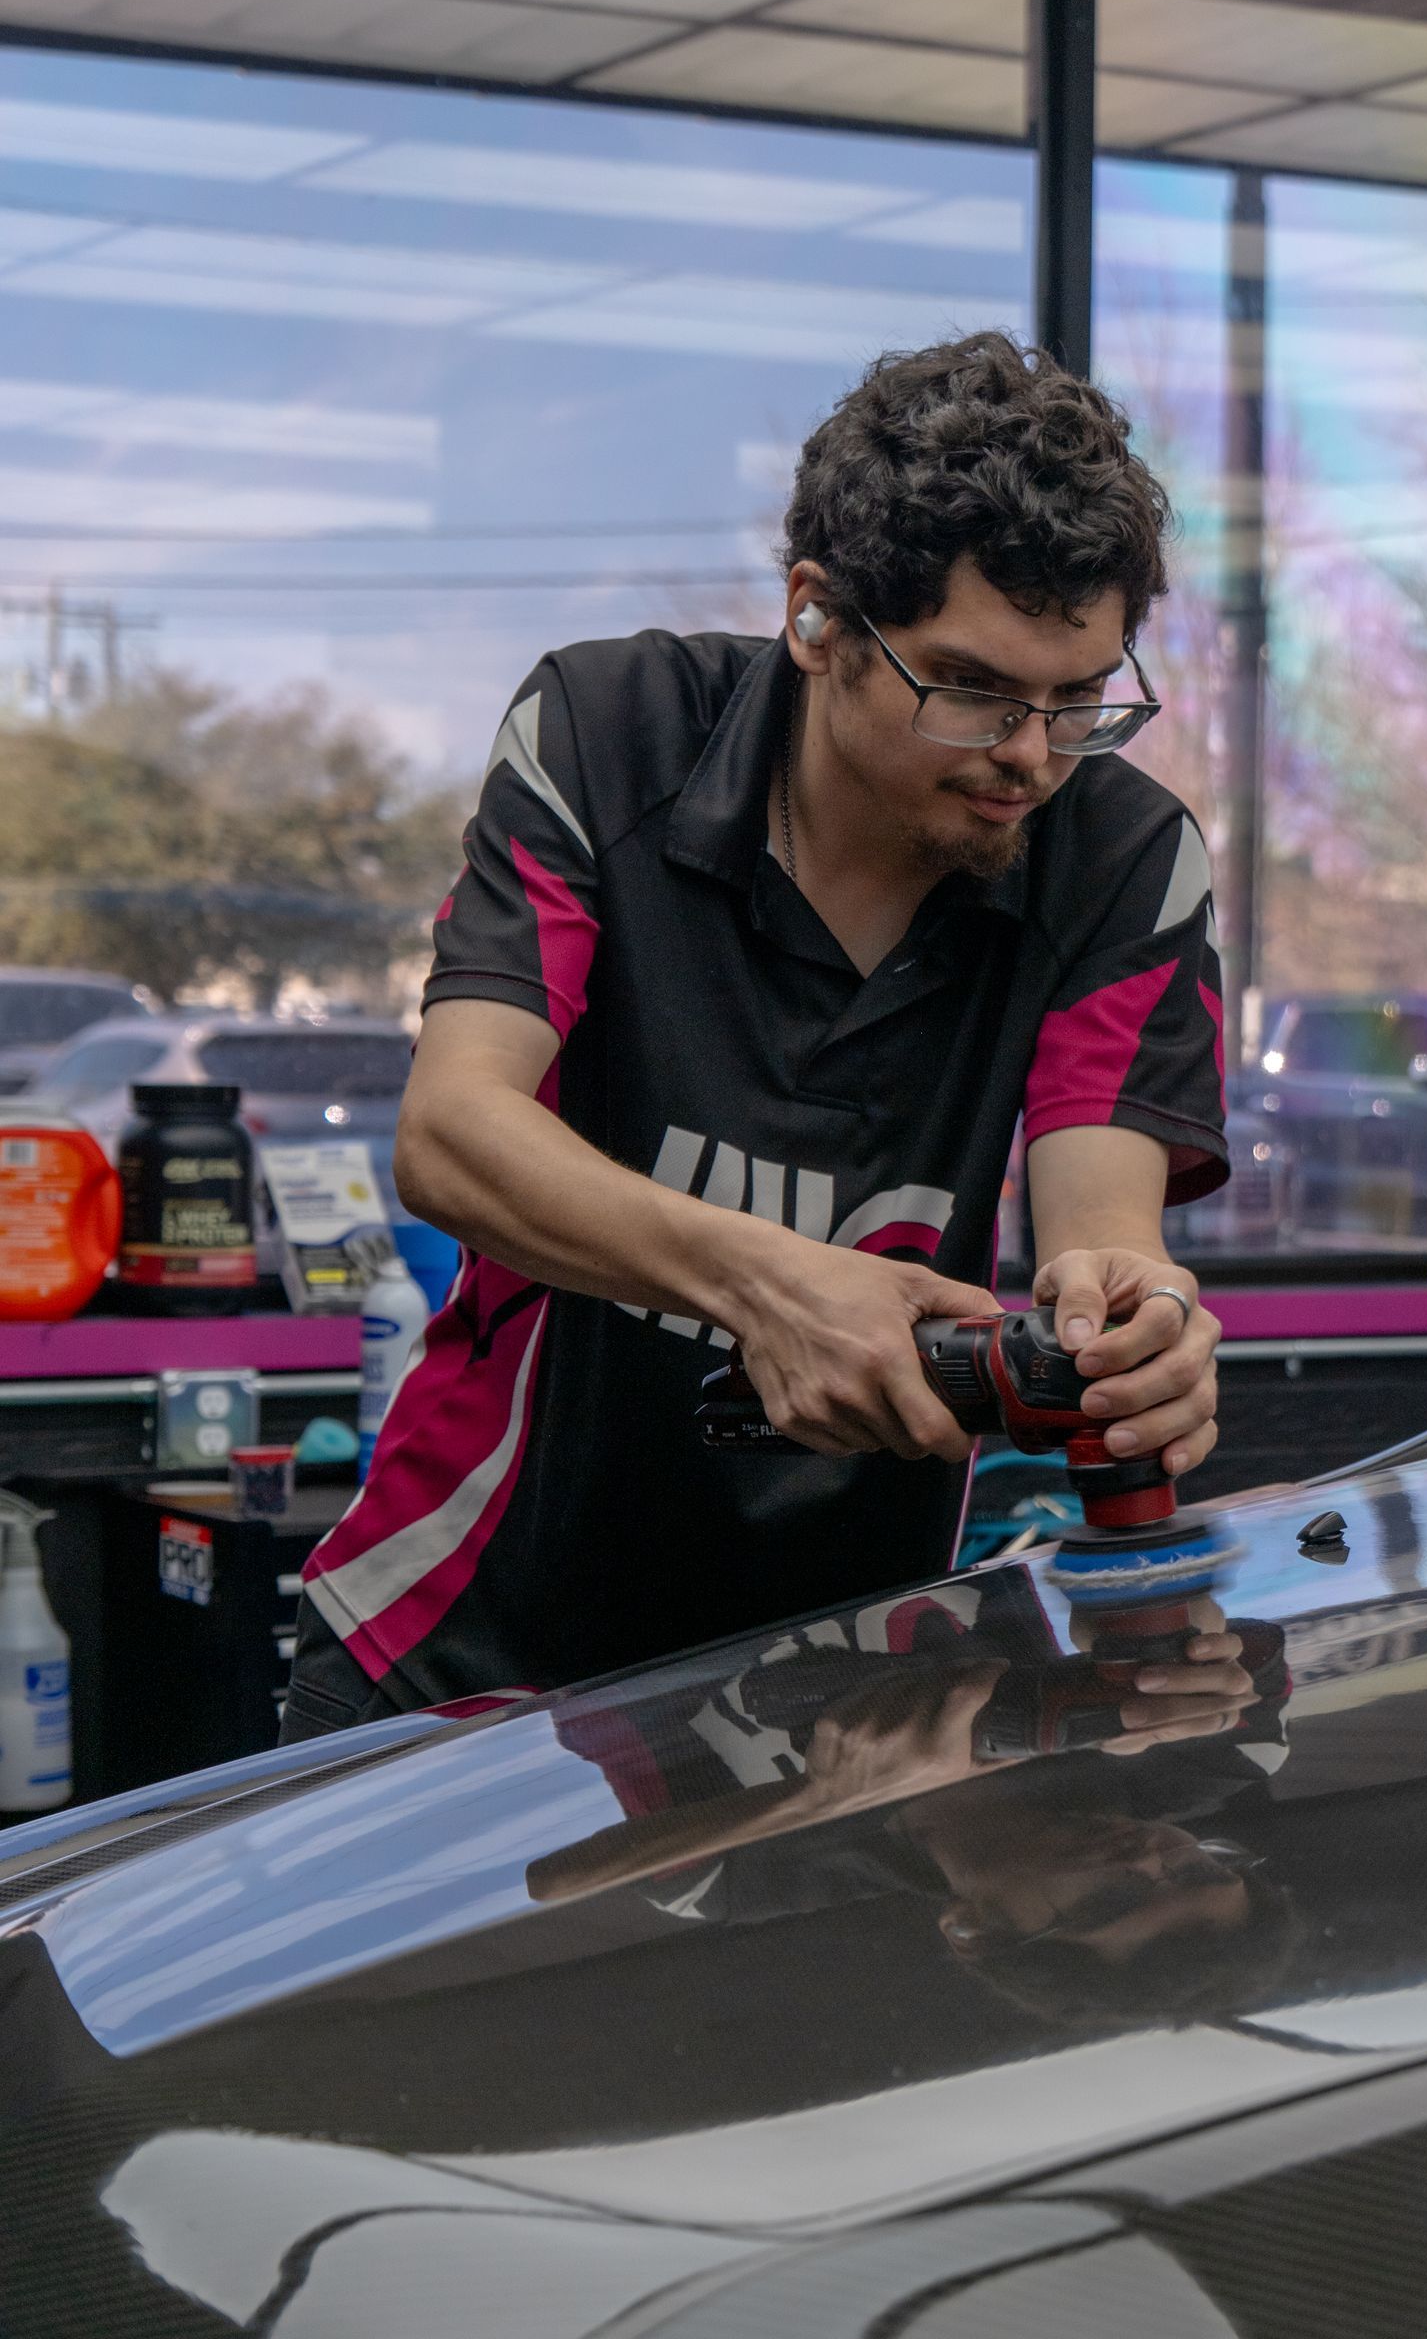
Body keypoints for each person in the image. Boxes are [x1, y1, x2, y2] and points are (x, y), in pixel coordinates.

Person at [283, 333, 1228, 1735]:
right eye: (971, 689)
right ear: (818, 620)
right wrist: (773, 1283)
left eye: (1080, 697)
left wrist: (1136, 1329)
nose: (1030, 755)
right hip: (467, 1656)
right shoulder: (608, 735)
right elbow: (454, 1135)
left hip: (847, 1710)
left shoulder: (1121, 858)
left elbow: (1104, 1225)